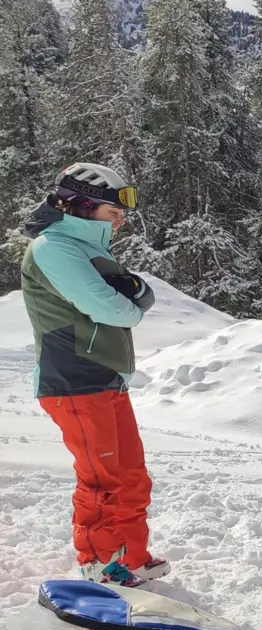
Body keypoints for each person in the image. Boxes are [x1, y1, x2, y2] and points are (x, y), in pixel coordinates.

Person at [20, 163, 169, 588]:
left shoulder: (88, 249)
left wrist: (134, 296)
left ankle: (133, 556)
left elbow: (130, 296)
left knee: (131, 474)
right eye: (112, 210)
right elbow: (110, 307)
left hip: (104, 377)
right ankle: (100, 564)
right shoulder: (54, 248)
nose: (121, 219)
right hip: (73, 380)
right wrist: (134, 300)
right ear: (82, 207)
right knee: (101, 480)